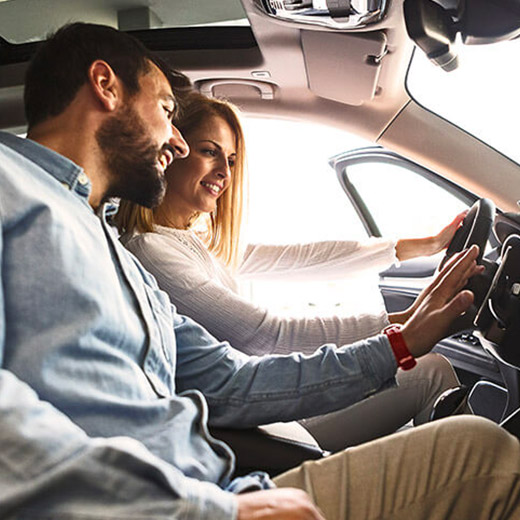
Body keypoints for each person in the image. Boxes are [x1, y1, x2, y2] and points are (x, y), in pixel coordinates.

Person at [1, 21, 520, 520]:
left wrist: (400, 343)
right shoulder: (13, 188)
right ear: (105, 86)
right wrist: (208, 511)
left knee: (478, 449)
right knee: (484, 461)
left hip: (219, 490)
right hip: (180, 505)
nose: (177, 142)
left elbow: (234, 380)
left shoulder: (118, 258)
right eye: (165, 109)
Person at [115, 92, 469, 449]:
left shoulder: (195, 241)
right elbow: (268, 336)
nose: (224, 172)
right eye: (210, 151)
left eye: (232, 160)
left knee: (427, 375)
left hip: (271, 407)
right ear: (171, 150)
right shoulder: (151, 251)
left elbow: (307, 257)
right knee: (432, 373)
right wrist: (403, 323)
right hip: (267, 419)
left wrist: (427, 245)